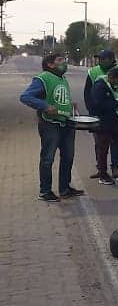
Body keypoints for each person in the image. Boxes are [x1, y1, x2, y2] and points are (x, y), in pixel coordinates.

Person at [20, 53, 84, 201]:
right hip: (50, 124)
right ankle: (45, 191)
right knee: (48, 158)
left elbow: (58, 98)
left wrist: (70, 105)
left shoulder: (62, 78)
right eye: (60, 60)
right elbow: (26, 97)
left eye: (65, 60)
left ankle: (65, 188)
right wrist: (45, 106)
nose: (65, 63)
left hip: (65, 122)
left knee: (68, 157)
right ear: (50, 64)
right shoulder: (42, 79)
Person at [84, 48, 118, 179]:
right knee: (100, 144)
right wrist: (92, 111)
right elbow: (87, 93)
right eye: (100, 59)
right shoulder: (93, 72)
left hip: (117, 114)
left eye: (104, 59)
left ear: (111, 59)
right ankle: (101, 170)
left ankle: (116, 168)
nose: (101, 61)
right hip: (101, 114)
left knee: (117, 144)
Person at [90, 65, 118, 185]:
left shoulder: (115, 86)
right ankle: (103, 175)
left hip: (116, 121)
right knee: (103, 149)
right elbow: (99, 106)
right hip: (103, 123)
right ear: (111, 78)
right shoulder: (99, 86)